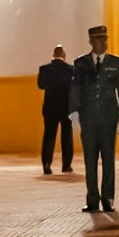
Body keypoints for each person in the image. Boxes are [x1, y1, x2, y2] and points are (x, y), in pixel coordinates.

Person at [71, 25, 119, 213]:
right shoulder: (80, 63)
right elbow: (75, 89)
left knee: (109, 159)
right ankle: (92, 199)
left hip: (108, 117)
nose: (103, 42)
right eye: (98, 39)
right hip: (88, 118)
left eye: (105, 39)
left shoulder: (115, 62)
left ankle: (108, 199)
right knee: (90, 159)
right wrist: (74, 113)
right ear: (90, 41)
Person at [38, 46, 73, 174]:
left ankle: (47, 164)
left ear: (52, 55)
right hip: (66, 107)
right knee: (67, 137)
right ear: (64, 55)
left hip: (50, 107)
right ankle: (66, 165)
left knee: (49, 136)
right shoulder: (70, 70)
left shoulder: (44, 69)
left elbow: (41, 85)